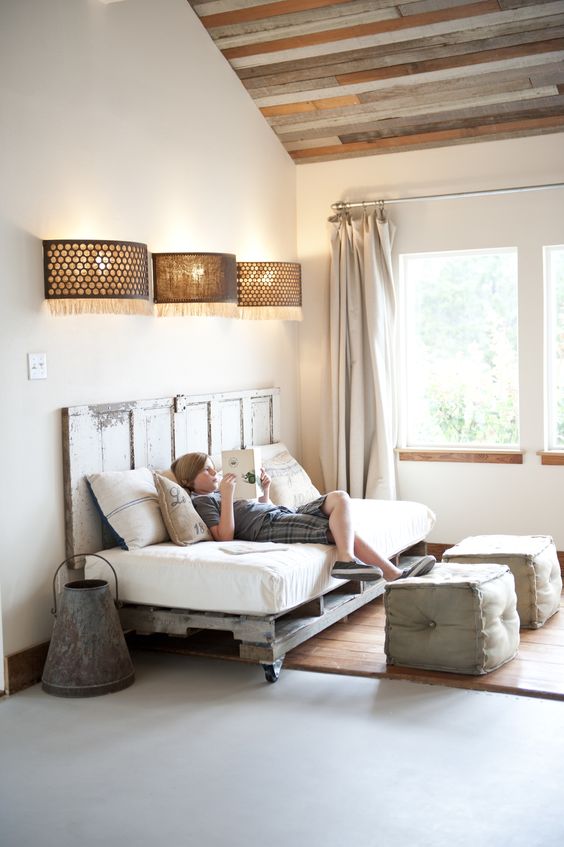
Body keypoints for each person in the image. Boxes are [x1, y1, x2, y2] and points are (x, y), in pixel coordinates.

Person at [170, 452, 436, 582]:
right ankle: (391, 573)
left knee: (339, 498)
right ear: (188, 480)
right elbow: (225, 536)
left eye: (214, 470)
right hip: (269, 528)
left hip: (280, 514)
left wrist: (265, 491)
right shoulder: (203, 501)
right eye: (207, 472)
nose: (215, 475)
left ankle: (355, 562)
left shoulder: (219, 493)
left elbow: (260, 509)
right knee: (337, 530)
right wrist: (227, 496)